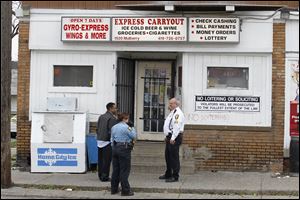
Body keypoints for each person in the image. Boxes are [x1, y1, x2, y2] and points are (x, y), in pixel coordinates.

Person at [110, 113, 137, 196]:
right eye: (127, 119)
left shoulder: (114, 127)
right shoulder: (127, 127)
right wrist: (132, 127)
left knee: (116, 170)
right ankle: (125, 190)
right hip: (124, 148)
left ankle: (114, 189)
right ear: (125, 119)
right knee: (124, 170)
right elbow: (134, 136)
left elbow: (111, 139)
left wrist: (114, 147)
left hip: (115, 148)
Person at [159, 98, 185, 182]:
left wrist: (173, 138)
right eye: (169, 103)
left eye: (171, 104)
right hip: (170, 137)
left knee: (174, 157)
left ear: (176, 104)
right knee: (168, 156)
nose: (169, 105)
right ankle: (168, 173)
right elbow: (168, 125)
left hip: (175, 137)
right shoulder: (172, 113)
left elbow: (176, 126)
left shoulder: (178, 114)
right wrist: (167, 136)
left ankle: (175, 176)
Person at [96, 102, 118, 182]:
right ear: (110, 109)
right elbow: (112, 130)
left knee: (100, 159)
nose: (116, 109)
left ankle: (100, 175)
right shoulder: (112, 118)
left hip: (99, 140)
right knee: (107, 160)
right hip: (107, 141)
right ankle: (105, 176)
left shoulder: (101, 116)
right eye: (115, 108)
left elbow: (97, 128)